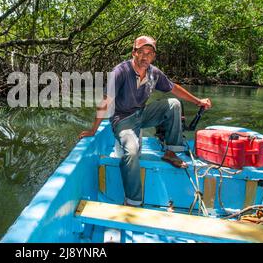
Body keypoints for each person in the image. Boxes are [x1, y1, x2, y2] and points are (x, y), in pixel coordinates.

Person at [79, 35, 212, 207]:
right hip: (123, 119)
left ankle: (170, 152)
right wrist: (93, 130)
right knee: (132, 152)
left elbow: (174, 89)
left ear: (154, 56)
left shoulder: (154, 73)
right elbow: (106, 102)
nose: (145, 56)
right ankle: (133, 201)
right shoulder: (120, 71)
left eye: (149, 53)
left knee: (173, 104)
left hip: (142, 114)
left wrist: (197, 101)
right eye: (141, 52)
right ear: (133, 52)